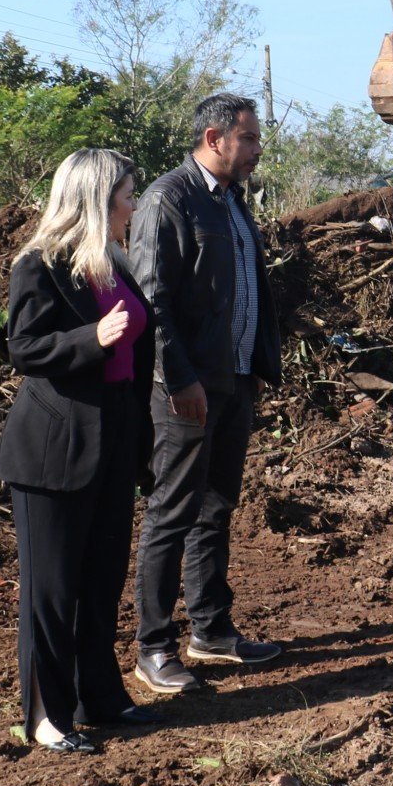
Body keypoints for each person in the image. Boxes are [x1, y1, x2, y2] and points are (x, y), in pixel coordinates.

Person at [0, 148, 164, 754]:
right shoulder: (40, 265)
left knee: (100, 582)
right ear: (96, 199)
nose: (134, 205)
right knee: (52, 591)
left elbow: (137, 358)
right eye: (127, 194)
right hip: (54, 452)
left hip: (115, 443)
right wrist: (90, 338)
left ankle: (102, 697)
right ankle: (46, 716)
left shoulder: (114, 264)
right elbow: (25, 347)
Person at [128, 93, 284, 695]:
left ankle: (212, 630)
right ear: (215, 138)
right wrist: (180, 378)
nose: (256, 150)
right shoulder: (171, 198)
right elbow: (152, 299)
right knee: (173, 511)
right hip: (186, 389)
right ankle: (154, 646)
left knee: (216, 506)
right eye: (248, 139)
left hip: (234, 379)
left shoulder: (232, 202)